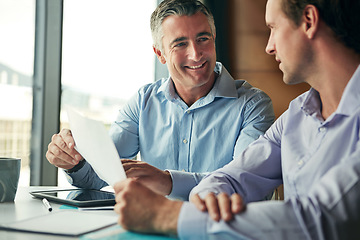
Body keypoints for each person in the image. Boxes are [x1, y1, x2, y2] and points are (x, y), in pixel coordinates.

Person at [113, 0, 360, 239]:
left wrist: (166, 215)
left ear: (308, 21)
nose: (269, 46)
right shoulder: (298, 113)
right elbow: (232, 177)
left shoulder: (254, 104)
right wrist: (208, 195)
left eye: (273, 28)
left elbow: (321, 221)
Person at [46, 0, 274, 200]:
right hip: (152, 230)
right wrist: (73, 161)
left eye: (203, 39)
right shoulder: (143, 102)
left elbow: (246, 184)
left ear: (214, 40)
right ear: (160, 54)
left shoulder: (253, 105)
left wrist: (168, 182)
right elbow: (99, 176)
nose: (196, 54)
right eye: (180, 44)